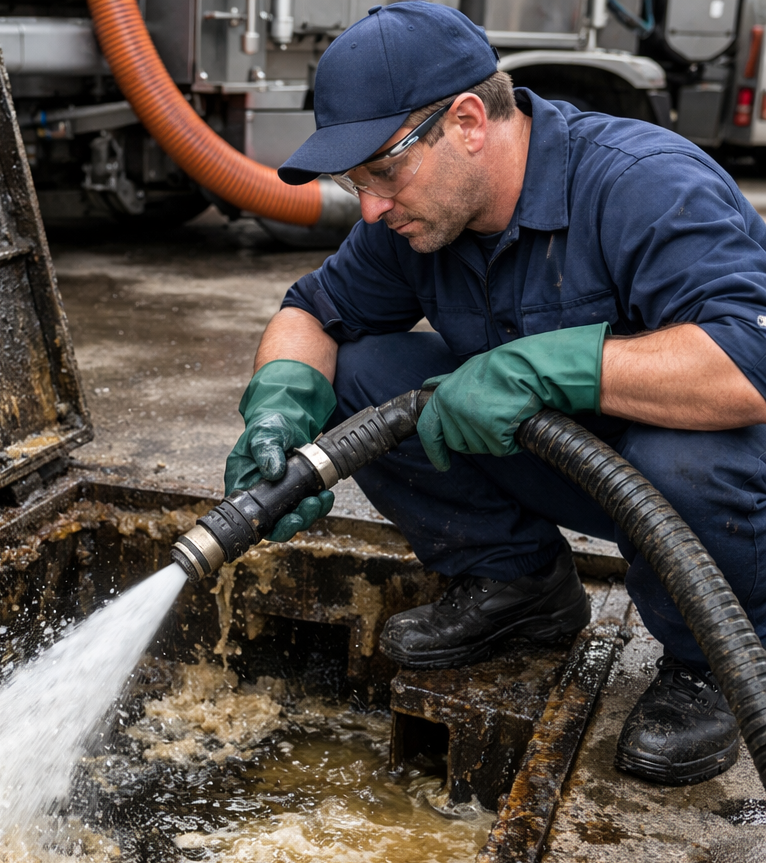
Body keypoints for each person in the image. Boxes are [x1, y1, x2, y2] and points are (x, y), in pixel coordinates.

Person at [224, 0, 766, 787]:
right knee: (364, 372)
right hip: (571, 470)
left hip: (698, 483)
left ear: (470, 121)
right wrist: (276, 408)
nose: (369, 206)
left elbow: (751, 364)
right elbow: (312, 312)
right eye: (355, 182)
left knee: (689, 454)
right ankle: (517, 585)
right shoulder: (411, 221)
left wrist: (546, 368)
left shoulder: (644, 183)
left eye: (382, 170)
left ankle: (709, 658)